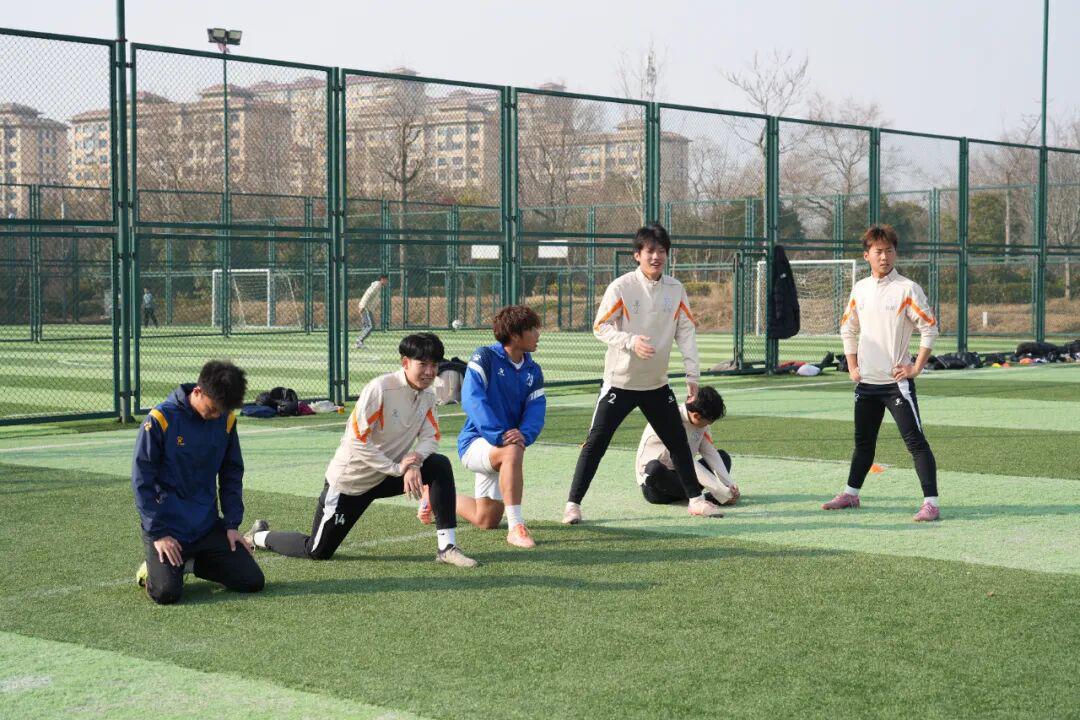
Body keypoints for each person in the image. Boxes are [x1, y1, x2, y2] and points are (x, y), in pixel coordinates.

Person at [246, 333, 478, 567]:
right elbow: (356, 441)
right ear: (405, 362)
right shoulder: (380, 389)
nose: (429, 372)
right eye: (423, 364)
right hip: (352, 483)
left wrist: (414, 461)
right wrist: (396, 468)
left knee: (438, 465)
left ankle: (446, 548)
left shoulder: (428, 394)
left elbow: (430, 436)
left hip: (388, 475)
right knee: (317, 550)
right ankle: (258, 536)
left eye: (434, 365)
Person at [563, 223, 725, 523]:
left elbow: (686, 331)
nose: (656, 257)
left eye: (661, 251)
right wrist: (630, 341)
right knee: (596, 443)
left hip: (656, 385)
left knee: (678, 443)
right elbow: (600, 326)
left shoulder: (676, 289)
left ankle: (696, 500)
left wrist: (692, 374)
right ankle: (573, 504)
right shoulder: (621, 287)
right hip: (620, 383)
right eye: (650, 251)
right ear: (637, 255)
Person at [823, 224, 941, 521]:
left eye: (889, 251)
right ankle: (851, 495)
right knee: (863, 445)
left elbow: (929, 328)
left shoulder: (907, 289)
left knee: (915, 443)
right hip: (866, 385)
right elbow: (847, 328)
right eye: (879, 252)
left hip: (896, 385)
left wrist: (916, 368)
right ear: (867, 256)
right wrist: (852, 366)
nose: (885, 257)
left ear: (895, 253)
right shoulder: (860, 289)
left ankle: (931, 503)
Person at [132, 360, 264, 604]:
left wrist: (232, 524)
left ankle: (190, 563)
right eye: (213, 409)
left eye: (222, 411)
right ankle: (154, 568)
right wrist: (158, 533)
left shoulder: (226, 420)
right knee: (166, 593)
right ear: (197, 392)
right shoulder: (161, 419)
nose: (216, 415)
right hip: (168, 529)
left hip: (206, 526)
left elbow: (231, 473)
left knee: (252, 581)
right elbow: (143, 480)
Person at [445, 305, 545, 548]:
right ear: (515, 335)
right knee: (512, 451)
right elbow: (472, 399)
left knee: (486, 519)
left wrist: (524, 434)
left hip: (502, 446)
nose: (538, 334)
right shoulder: (485, 357)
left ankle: (434, 497)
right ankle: (516, 527)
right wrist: (499, 435)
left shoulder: (533, 369)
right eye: (533, 329)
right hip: (475, 443)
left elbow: (536, 409)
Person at [636, 385, 739, 507]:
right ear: (696, 416)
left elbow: (710, 453)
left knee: (722, 456)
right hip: (660, 487)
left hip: (684, 479)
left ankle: (701, 496)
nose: (709, 425)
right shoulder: (668, 420)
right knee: (655, 468)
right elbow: (685, 461)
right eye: (709, 422)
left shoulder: (701, 422)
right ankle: (703, 497)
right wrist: (721, 492)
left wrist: (729, 485)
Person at [354, 274, 389, 348]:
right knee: (369, 326)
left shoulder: (378, 286)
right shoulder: (376, 285)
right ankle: (359, 341)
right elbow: (368, 295)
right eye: (386, 280)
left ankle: (359, 342)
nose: (387, 282)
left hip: (368, 309)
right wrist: (363, 306)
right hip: (365, 308)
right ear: (382, 279)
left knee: (369, 325)